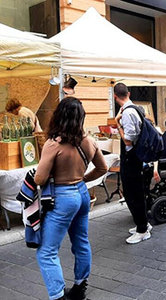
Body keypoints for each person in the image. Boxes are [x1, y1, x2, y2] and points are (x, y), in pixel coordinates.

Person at [34, 97, 107, 300]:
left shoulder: (53, 144)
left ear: (59, 116)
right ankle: (79, 287)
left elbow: (40, 178)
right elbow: (103, 168)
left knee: (46, 251)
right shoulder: (89, 141)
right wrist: (83, 179)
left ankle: (57, 295)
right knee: (81, 242)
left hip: (62, 197)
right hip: (81, 193)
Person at [114, 83, 152, 244]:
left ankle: (142, 230)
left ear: (115, 97)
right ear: (128, 93)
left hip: (131, 159)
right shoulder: (136, 109)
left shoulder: (128, 113)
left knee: (132, 194)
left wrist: (118, 125)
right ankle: (143, 224)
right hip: (135, 159)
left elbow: (128, 141)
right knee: (136, 193)